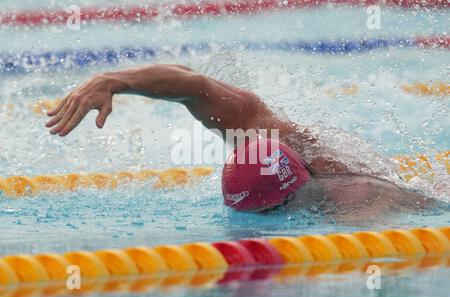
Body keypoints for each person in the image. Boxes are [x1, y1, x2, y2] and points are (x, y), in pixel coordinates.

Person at [46, 64, 431, 214]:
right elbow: (194, 86)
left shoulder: (359, 206)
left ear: (293, 196)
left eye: (266, 213)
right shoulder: (266, 137)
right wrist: (110, 82)